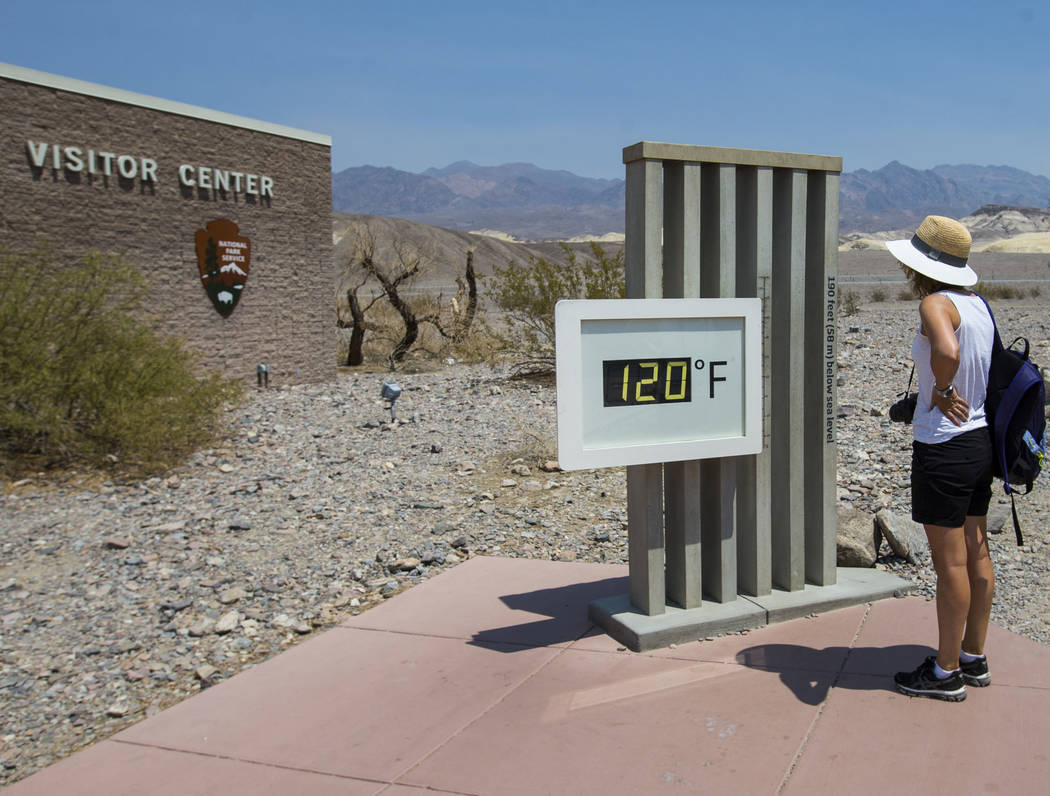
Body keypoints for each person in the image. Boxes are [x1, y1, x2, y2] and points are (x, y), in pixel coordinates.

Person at [887, 215, 996, 702]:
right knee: (977, 551)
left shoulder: (935, 302)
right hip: (978, 442)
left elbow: (946, 352)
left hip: (944, 447)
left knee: (949, 564)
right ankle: (972, 657)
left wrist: (944, 389)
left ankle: (944, 672)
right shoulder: (978, 305)